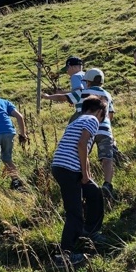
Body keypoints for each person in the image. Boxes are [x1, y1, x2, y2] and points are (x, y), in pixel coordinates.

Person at [42, 68, 118, 199]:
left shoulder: (83, 93)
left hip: (87, 128)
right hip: (105, 129)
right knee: (107, 158)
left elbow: (63, 97)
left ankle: (83, 179)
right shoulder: (107, 94)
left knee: (82, 154)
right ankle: (107, 184)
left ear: (88, 82)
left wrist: (47, 96)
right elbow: (110, 115)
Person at [50, 96, 108, 268]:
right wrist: (83, 173)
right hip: (69, 169)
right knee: (74, 212)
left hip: (63, 166)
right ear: (99, 112)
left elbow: (84, 150)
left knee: (94, 192)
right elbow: (82, 145)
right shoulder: (92, 120)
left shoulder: (77, 120)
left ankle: (89, 231)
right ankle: (64, 255)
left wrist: (86, 175)